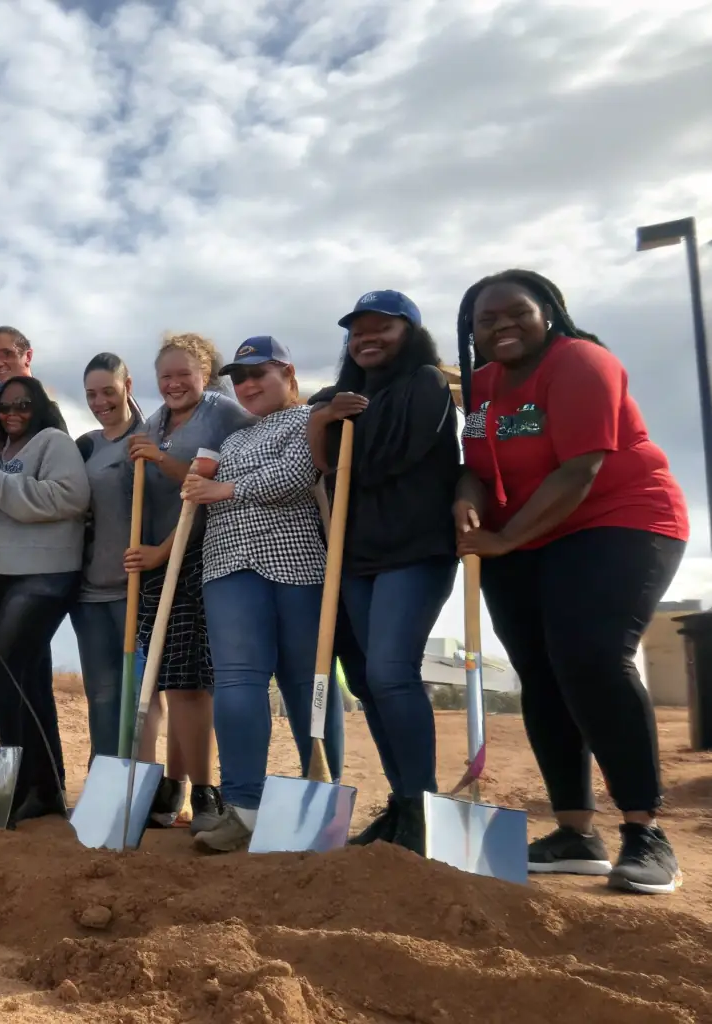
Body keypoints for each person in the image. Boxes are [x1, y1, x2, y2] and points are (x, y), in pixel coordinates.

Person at [454, 270, 689, 894]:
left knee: (590, 657)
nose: (501, 325)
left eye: (516, 312)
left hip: (620, 519)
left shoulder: (582, 362)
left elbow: (579, 470)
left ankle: (644, 831)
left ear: (549, 311)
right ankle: (575, 832)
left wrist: (503, 539)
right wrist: (467, 498)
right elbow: (476, 466)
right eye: (486, 319)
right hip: (523, 537)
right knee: (542, 671)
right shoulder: (480, 386)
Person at [307, 290, 460, 855]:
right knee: (371, 683)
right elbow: (320, 465)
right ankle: (401, 804)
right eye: (358, 331)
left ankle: (423, 806)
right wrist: (323, 418)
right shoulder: (338, 397)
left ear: (410, 332)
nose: (367, 338)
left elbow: (380, 459)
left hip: (414, 551)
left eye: (382, 329)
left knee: (393, 672)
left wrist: (331, 426)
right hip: (356, 558)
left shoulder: (426, 382)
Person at [181, 337, 343, 852]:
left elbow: (298, 475)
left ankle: (322, 796)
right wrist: (199, 484)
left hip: (297, 565)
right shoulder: (231, 442)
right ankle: (244, 806)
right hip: (228, 566)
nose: (247, 386)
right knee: (238, 682)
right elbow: (204, 493)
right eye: (239, 378)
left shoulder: (309, 420)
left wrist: (224, 490)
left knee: (307, 682)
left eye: (259, 374)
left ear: (288, 374)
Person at [124, 332, 254, 833]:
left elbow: (206, 485)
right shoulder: (156, 420)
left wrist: (159, 460)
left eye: (185, 374)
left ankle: (205, 791)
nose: (174, 383)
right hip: (159, 564)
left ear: (205, 374)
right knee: (169, 678)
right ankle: (174, 784)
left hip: (196, 555)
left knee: (191, 684)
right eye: (166, 376)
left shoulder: (221, 413)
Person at [0, 376, 90, 823]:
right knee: (28, 680)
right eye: (5, 406)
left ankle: (21, 781)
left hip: (45, 572)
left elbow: (71, 497)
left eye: (22, 404)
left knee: (2, 669)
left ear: (38, 406)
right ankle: (44, 787)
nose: (12, 412)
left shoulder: (53, 442)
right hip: (2, 571)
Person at [70, 352, 147, 758]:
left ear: (128, 387)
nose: (100, 402)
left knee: (142, 697)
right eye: (91, 395)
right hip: (89, 591)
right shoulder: (85, 447)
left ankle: (151, 786)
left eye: (108, 392)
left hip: (135, 587)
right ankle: (107, 782)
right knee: (101, 694)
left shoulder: (150, 438)